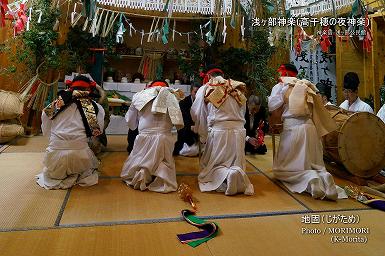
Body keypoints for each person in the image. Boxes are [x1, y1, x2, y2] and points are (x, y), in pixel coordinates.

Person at [268, 64, 346, 200]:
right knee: (314, 164)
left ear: (284, 74)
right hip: (311, 129)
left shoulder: (282, 86)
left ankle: (310, 178)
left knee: (282, 171)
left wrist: (274, 123)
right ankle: (323, 175)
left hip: (293, 129)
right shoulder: (306, 86)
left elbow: (273, 108)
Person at [190, 67, 254, 196]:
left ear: (208, 77)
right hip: (239, 132)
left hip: (220, 131)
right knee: (235, 162)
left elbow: (196, 113)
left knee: (212, 165)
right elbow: (243, 112)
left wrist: (202, 131)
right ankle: (235, 172)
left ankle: (227, 174)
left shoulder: (207, 88)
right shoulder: (237, 88)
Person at [36, 75, 105, 189]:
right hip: (81, 156)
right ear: (89, 90)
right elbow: (97, 132)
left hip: (55, 156)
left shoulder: (56, 104)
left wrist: (53, 138)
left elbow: (45, 122)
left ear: (70, 88)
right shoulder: (95, 107)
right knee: (88, 168)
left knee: (52, 175)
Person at [121, 80, 184, 193]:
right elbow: (178, 122)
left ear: (149, 87)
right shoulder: (173, 97)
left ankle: (142, 176)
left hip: (145, 136)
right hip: (165, 137)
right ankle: (161, 177)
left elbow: (131, 123)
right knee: (163, 161)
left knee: (141, 159)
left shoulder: (139, 96)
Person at [173, 82, 200, 156]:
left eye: (199, 92)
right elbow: (183, 118)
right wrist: (190, 126)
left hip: (198, 127)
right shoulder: (183, 102)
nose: (197, 94)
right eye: (195, 92)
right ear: (191, 91)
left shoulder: (202, 102)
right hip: (187, 127)